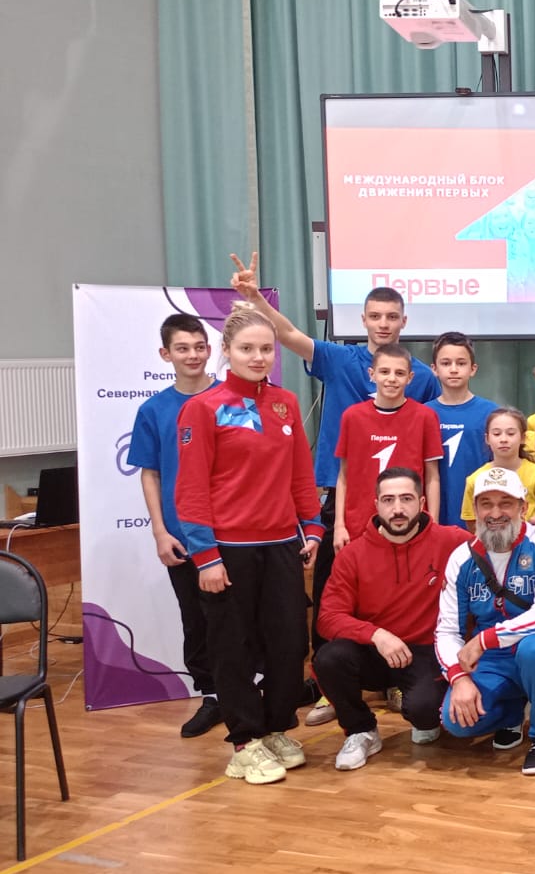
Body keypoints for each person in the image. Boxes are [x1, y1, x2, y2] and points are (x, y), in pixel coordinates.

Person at [227, 255, 440, 669]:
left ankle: (396, 673)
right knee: (331, 589)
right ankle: (329, 677)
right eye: (375, 316)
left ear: (403, 321)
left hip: (403, 504)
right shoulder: (338, 359)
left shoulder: (421, 377)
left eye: (391, 317)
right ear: (362, 320)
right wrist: (255, 299)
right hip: (344, 502)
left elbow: (428, 435)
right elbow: (288, 334)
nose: (383, 324)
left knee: (399, 589)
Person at [174, 302, 324, 784]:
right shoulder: (202, 408)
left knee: (288, 642)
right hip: (227, 551)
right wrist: (206, 557)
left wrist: (313, 526)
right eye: (246, 349)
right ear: (226, 350)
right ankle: (244, 742)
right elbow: (191, 490)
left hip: (280, 545)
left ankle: (276, 728)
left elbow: (300, 472)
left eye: (266, 349)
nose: (258, 358)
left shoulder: (285, 403)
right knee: (232, 648)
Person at [315, 467, 472, 770]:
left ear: (422, 502)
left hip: (426, 651)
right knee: (329, 658)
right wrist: (376, 635)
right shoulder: (352, 554)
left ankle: (422, 715)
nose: (397, 509)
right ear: (376, 504)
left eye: (406, 499)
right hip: (375, 650)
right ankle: (361, 730)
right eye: (388, 500)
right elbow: (328, 617)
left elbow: (498, 546)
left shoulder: (452, 540)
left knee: (426, 713)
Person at [437, 467, 535, 775]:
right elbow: (446, 631)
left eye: (506, 503)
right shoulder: (461, 558)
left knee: (534, 650)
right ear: (475, 509)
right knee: (455, 720)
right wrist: (459, 678)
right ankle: (514, 711)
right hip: (494, 659)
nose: (496, 513)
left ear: (523, 507)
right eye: (486, 504)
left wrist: (484, 639)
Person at [129, 313, 222, 738]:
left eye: (199, 347)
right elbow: (150, 473)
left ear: (210, 349)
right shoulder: (153, 410)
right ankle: (212, 696)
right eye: (182, 348)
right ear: (166, 354)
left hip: (231, 531)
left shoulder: (231, 400)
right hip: (182, 536)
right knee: (196, 619)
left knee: (238, 618)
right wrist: (160, 531)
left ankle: (246, 691)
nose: (193, 355)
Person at [332, 342, 442, 552]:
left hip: (411, 523)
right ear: (372, 374)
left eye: (399, 373)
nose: (391, 379)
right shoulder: (352, 417)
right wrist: (339, 525)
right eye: (384, 372)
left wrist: (433, 524)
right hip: (359, 525)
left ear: (410, 378)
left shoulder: (425, 417)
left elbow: (432, 477)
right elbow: (343, 476)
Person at [425, 332, 495, 530]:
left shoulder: (491, 413)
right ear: (434, 369)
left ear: (473, 369)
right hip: (434, 518)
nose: (454, 369)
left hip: (479, 518)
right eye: (446, 363)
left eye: (461, 363)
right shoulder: (423, 414)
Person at [461, 407, 535, 525]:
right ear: (487, 438)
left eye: (511, 434)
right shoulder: (475, 480)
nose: (503, 439)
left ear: (523, 438)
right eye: (496, 434)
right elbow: (471, 523)